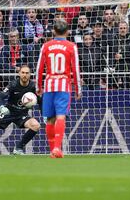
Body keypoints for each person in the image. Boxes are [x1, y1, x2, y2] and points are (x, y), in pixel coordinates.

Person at [36, 19, 82, 158]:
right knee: (60, 116)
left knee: (49, 118)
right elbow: (76, 69)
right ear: (67, 32)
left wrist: (38, 86)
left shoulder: (46, 46)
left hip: (49, 84)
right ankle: (57, 148)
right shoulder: (71, 46)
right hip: (63, 84)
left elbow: (39, 68)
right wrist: (78, 89)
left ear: (53, 31)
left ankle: (52, 150)